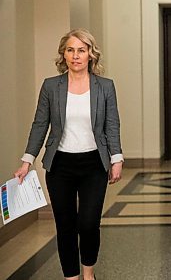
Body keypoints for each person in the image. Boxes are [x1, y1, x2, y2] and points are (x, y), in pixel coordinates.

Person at [14, 28, 124, 280]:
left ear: (90, 55)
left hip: (94, 164)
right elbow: (40, 124)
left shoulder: (105, 86)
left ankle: (88, 274)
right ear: (63, 55)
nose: (76, 56)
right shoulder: (51, 86)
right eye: (70, 50)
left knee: (88, 223)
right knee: (65, 226)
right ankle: (71, 277)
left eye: (81, 50)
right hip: (60, 165)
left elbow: (112, 124)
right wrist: (26, 161)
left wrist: (116, 158)